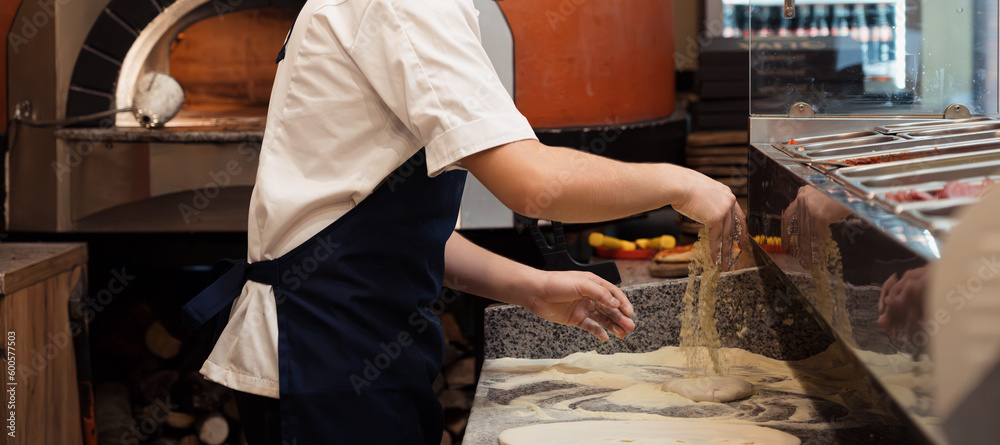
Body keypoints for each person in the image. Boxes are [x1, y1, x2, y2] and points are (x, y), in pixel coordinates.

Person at [182, 0, 745, 443]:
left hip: (347, 346)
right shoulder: (408, 3)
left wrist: (529, 287)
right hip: (324, 357)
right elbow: (534, 183)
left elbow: (372, 227)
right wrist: (684, 183)